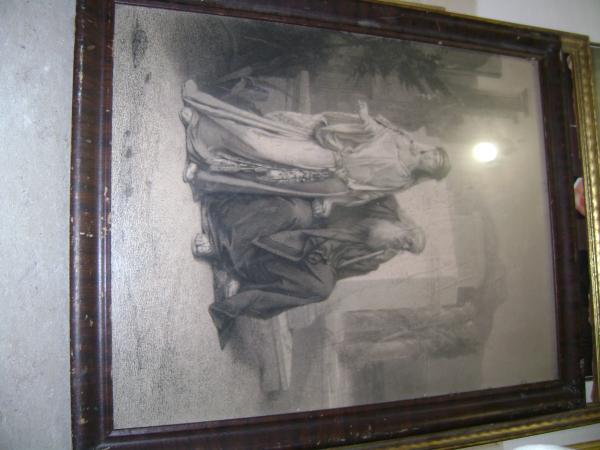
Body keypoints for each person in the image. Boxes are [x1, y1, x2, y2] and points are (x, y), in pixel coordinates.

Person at [196, 193, 425, 348]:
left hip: (318, 253)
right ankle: (220, 246)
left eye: (408, 248)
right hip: (319, 217)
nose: (403, 245)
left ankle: (240, 298)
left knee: (321, 289)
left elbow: (339, 272)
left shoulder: (375, 258)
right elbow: (354, 185)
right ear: (407, 225)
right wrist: (329, 198)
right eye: (409, 239)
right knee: (291, 212)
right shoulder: (387, 205)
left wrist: (320, 270)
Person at [180, 80, 450, 203]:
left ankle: (204, 167)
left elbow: (370, 192)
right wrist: (364, 117)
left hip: (331, 180)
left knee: (267, 175)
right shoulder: (401, 140)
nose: (430, 159)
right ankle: (202, 121)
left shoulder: (403, 182)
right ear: (430, 150)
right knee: (263, 146)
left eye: (435, 164)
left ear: (430, 172)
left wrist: (340, 196)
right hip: (327, 154)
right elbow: (373, 132)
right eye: (435, 154)